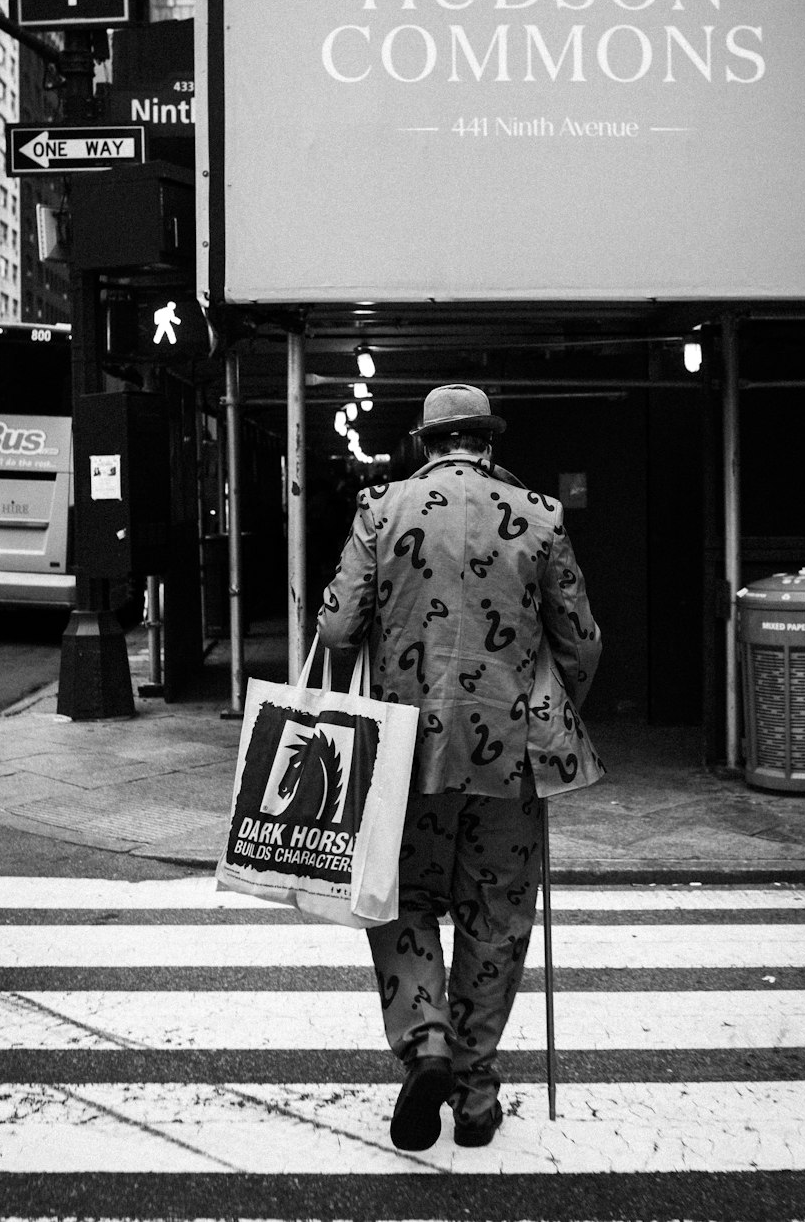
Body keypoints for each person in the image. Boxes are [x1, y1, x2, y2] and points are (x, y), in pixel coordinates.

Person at [316, 383, 602, 1152]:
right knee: (497, 921)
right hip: (512, 757)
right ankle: (475, 1097)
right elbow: (581, 642)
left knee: (397, 898)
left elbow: (340, 626)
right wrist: (545, 699)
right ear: (488, 441)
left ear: (427, 442)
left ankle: (426, 1046)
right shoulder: (541, 515)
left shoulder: (382, 508)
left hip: (403, 754)